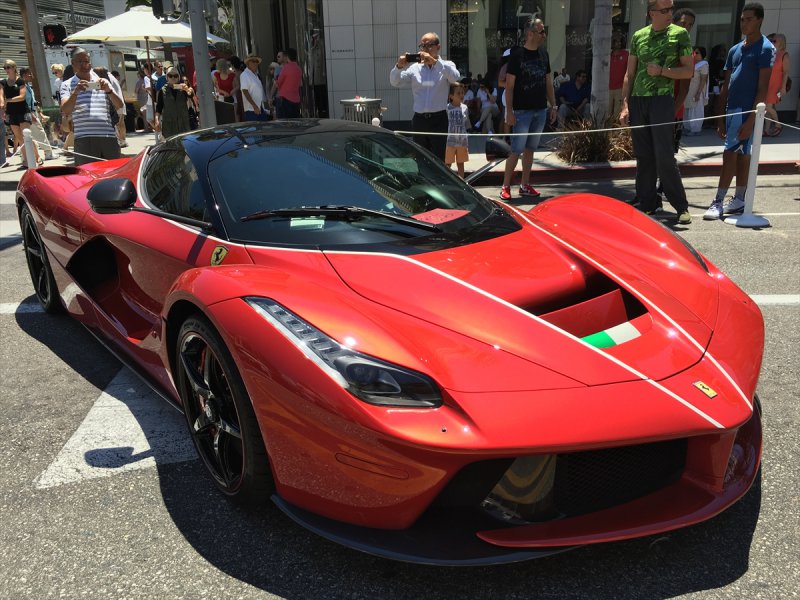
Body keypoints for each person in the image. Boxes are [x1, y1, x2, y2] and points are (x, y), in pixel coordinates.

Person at [619, 0, 694, 225]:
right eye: (665, 10)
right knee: (643, 155)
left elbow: (688, 71)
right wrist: (625, 105)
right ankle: (647, 202)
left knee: (664, 155)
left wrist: (662, 71)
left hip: (661, 100)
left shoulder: (680, 34)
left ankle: (681, 206)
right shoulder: (639, 36)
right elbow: (629, 74)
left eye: (671, 9)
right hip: (638, 100)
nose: (670, 13)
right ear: (652, 13)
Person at [703, 3, 775, 220]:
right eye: (742, 19)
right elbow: (726, 86)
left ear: (760, 20)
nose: (744, 23)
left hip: (747, 110)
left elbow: (763, 88)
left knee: (731, 154)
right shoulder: (734, 50)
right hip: (731, 110)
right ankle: (740, 198)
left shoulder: (765, 48)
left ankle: (718, 201)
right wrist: (720, 118)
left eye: (749, 19)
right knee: (742, 154)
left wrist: (751, 120)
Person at [499, 18, 557, 201]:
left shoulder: (544, 54)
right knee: (516, 149)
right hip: (521, 111)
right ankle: (506, 185)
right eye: (541, 31)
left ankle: (525, 185)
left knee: (531, 149)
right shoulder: (517, 55)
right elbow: (509, 86)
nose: (544, 35)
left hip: (540, 110)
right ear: (530, 34)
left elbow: (548, 82)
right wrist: (509, 112)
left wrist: (553, 105)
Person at [390, 32, 461, 161]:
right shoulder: (415, 68)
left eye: (429, 45)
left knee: (438, 159)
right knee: (420, 158)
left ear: (438, 47)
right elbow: (395, 82)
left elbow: (455, 77)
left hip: (439, 119)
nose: (425, 49)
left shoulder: (447, 65)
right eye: (422, 46)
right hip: (419, 119)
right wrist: (399, 66)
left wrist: (435, 62)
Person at [60, 47, 124, 166]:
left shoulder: (102, 81)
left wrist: (109, 91)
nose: (85, 65)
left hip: (108, 136)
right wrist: (75, 92)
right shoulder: (67, 85)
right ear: (73, 63)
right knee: (88, 173)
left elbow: (120, 105)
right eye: (80, 62)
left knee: (113, 172)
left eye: (87, 61)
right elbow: (65, 110)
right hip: (84, 138)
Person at [1, 60, 41, 166]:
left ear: (14, 67)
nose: (6, 69)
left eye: (8, 67)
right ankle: (26, 160)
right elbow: (1, 95)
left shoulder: (20, 81)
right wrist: (3, 107)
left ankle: (37, 156)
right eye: (5, 67)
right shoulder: (3, 82)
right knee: (19, 138)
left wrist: (7, 100)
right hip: (11, 113)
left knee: (26, 136)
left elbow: (22, 97)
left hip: (23, 111)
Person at [20, 67, 51, 161]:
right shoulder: (22, 87)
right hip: (29, 113)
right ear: (24, 75)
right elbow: (24, 102)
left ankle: (26, 157)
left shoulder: (28, 86)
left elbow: (33, 102)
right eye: (29, 73)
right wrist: (32, 114)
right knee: (39, 133)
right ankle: (48, 153)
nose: (31, 75)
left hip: (32, 112)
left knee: (29, 135)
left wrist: (39, 113)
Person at [154, 67, 194, 139]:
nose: (173, 78)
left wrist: (188, 90)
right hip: (169, 127)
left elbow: (190, 95)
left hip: (183, 125)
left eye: (175, 76)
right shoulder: (163, 91)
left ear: (178, 77)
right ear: (167, 77)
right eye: (170, 76)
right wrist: (157, 120)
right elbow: (159, 107)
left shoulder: (182, 88)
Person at [764, 33, 790, 136]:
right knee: (767, 108)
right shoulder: (772, 53)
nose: (772, 42)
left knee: (768, 107)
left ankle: (778, 125)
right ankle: (767, 130)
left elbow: (786, 72)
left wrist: (783, 87)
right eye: (772, 40)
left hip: (776, 85)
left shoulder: (784, 55)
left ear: (781, 42)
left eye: (774, 41)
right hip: (768, 83)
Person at [96, 67, 128, 148]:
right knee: (121, 123)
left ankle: (120, 140)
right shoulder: (113, 78)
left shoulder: (106, 79)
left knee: (117, 124)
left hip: (115, 103)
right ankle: (123, 140)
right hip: (120, 101)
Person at [445, 82, 470, 178]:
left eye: (462, 92)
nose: (461, 95)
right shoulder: (447, 108)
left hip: (462, 141)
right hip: (450, 141)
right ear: (451, 96)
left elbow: (466, 123)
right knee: (447, 164)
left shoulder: (465, 108)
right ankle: (447, 181)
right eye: (458, 93)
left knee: (461, 163)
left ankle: (461, 181)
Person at [683, 47, 709, 135]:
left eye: (697, 52)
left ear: (702, 54)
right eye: (694, 52)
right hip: (689, 90)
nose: (694, 54)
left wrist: (698, 93)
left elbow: (703, 79)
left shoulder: (703, 64)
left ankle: (695, 129)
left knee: (695, 110)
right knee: (687, 108)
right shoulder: (692, 64)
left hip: (697, 91)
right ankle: (687, 128)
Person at [274, 48, 302, 118]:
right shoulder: (298, 69)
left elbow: (278, 83)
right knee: (295, 121)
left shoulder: (286, 68)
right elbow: (300, 83)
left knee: (285, 122)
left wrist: (275, 81)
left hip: (285, 100)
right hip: (296, 100)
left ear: (287, 57)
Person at [240, 55, 266, 121]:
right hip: (251, 110)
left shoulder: (256, 75)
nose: (255, 63)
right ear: (247, 63)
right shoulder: (245, 74)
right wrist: (254, 106)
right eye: (253, 61)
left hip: (259, 108)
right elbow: (245, 91)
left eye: (256, 61)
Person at [609, 34, 628, 121]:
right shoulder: (608, 55)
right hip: (608, 88)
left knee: (617, 113)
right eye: (616, 41)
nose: (619, 43)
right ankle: (606, 129)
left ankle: (615, 129)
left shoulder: (626, 54)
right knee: (607, 112)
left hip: (620, 87)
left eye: (620, 41)